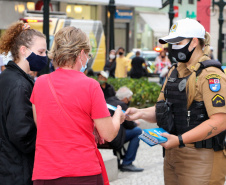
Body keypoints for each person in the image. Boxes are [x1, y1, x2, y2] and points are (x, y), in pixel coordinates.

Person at [125, 18, 226, 185]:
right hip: (173, 154)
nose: (172, 48)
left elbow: (221, 120)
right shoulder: (174, 71)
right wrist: (140, 113)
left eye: (178, 42)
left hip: (201, 157)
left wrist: (180, 139)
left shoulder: (210, 75)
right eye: (171, 43)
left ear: (194, 42)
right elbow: (164, 109)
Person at [30, 26, 125, 185]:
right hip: (82, 171)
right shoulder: (91, 86)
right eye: (87, 54)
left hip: (45, 172)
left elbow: (41, 125)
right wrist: (118, 117)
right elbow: (108, 134)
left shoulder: (40, 83)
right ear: (81, 53)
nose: (87, 59)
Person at [0, 22, 47, 185]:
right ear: (23, 50)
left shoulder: (7, 78)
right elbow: (22, 133)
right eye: (40, 52)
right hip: (18, 169)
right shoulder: (20, 84)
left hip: (8, 164)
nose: (44, 56)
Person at [106, 86, 144, 172]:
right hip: (113, 137)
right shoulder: (121, 105)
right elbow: (130, 125)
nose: (129, 101)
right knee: (137, 131)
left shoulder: (108, 100)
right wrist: (136, 123)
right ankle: (127, 163)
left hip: (103, 136)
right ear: (125, 98)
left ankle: (121, 159)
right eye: (129, 99)